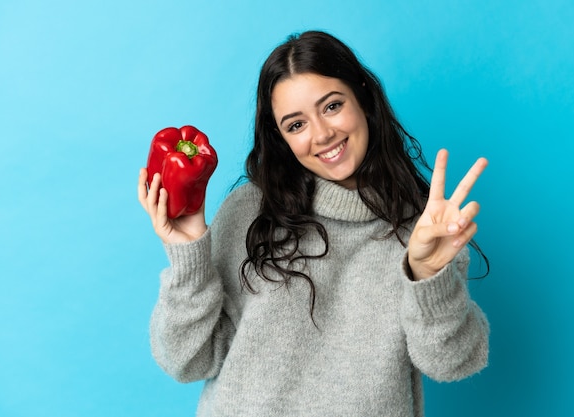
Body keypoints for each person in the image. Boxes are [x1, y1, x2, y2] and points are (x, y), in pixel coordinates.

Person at [138, 30, 489, 417]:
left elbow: (452, 362)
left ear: (363, 97)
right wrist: (190, 260)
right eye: (296, 125)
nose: (322, 135)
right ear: (282, 138)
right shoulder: (249, 212)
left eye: (332, 106)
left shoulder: (426, 230)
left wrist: (426, 274)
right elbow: (185, 360)